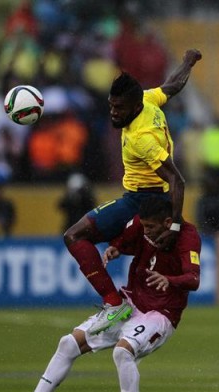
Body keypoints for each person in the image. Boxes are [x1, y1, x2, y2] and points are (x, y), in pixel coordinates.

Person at [0, 197, 201, 392]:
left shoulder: (188, 236)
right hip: (130, 303)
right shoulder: (142, 224)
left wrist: (169, 280)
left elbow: (193, 279)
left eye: (151, 227)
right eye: (145, 226)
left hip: (160, 313)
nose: (147, 231)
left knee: (122, 352)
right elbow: (126, 240)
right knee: (68, 344)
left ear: (168, 222)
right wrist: (116, 249)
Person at [63, 48, 202, 336]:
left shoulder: (142, 138)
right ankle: (130, 307)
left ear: (135, 106)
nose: (114, 113)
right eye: (111, 106)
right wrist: (187, 61)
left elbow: (178, 181)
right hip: (145, 197)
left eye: (119, 108)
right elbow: (173, 85)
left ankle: (115, 304)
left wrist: (175, 224)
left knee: (74, 236)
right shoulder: (149, 100)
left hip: (144, 199)